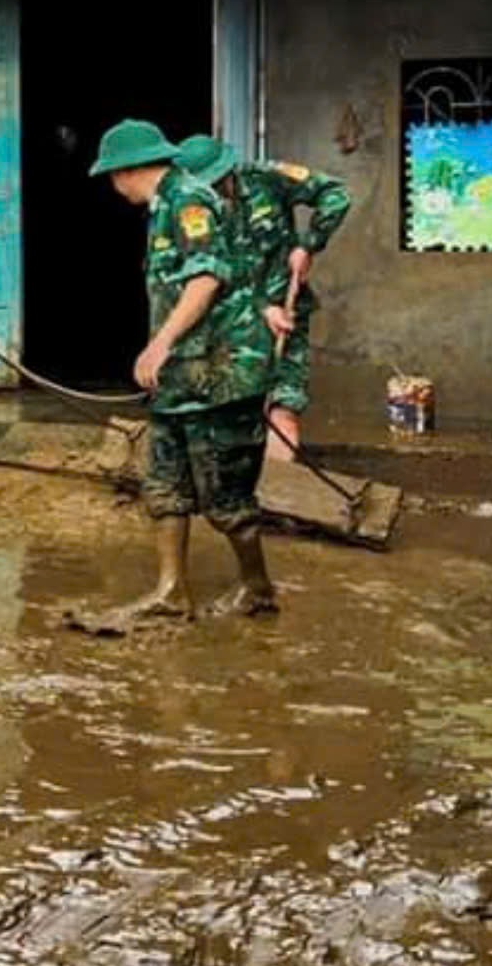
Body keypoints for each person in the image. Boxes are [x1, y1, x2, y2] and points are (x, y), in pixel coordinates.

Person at [87, 119, 278, 625]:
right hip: (182, 376)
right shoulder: (163, 206)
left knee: (224, 496)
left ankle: (257, 588)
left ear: (127, 170)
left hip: (220, 372)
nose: (112, 185)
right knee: (164, 484)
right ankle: (171, 591)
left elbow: (206, 277)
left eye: (112, 175)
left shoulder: (189, 201)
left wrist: (158, 344)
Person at [174, 135, 350, 462]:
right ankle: (230, 492)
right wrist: (259, 308)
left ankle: (278, 489)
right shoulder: (189, 210)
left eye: (217, 181)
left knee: (282, 405)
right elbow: (201, 277)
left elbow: (335, 194)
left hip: (286, 310)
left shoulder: (266, 177)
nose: (214, 191)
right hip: (228, 322)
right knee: (229, 409)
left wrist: (309, 244)